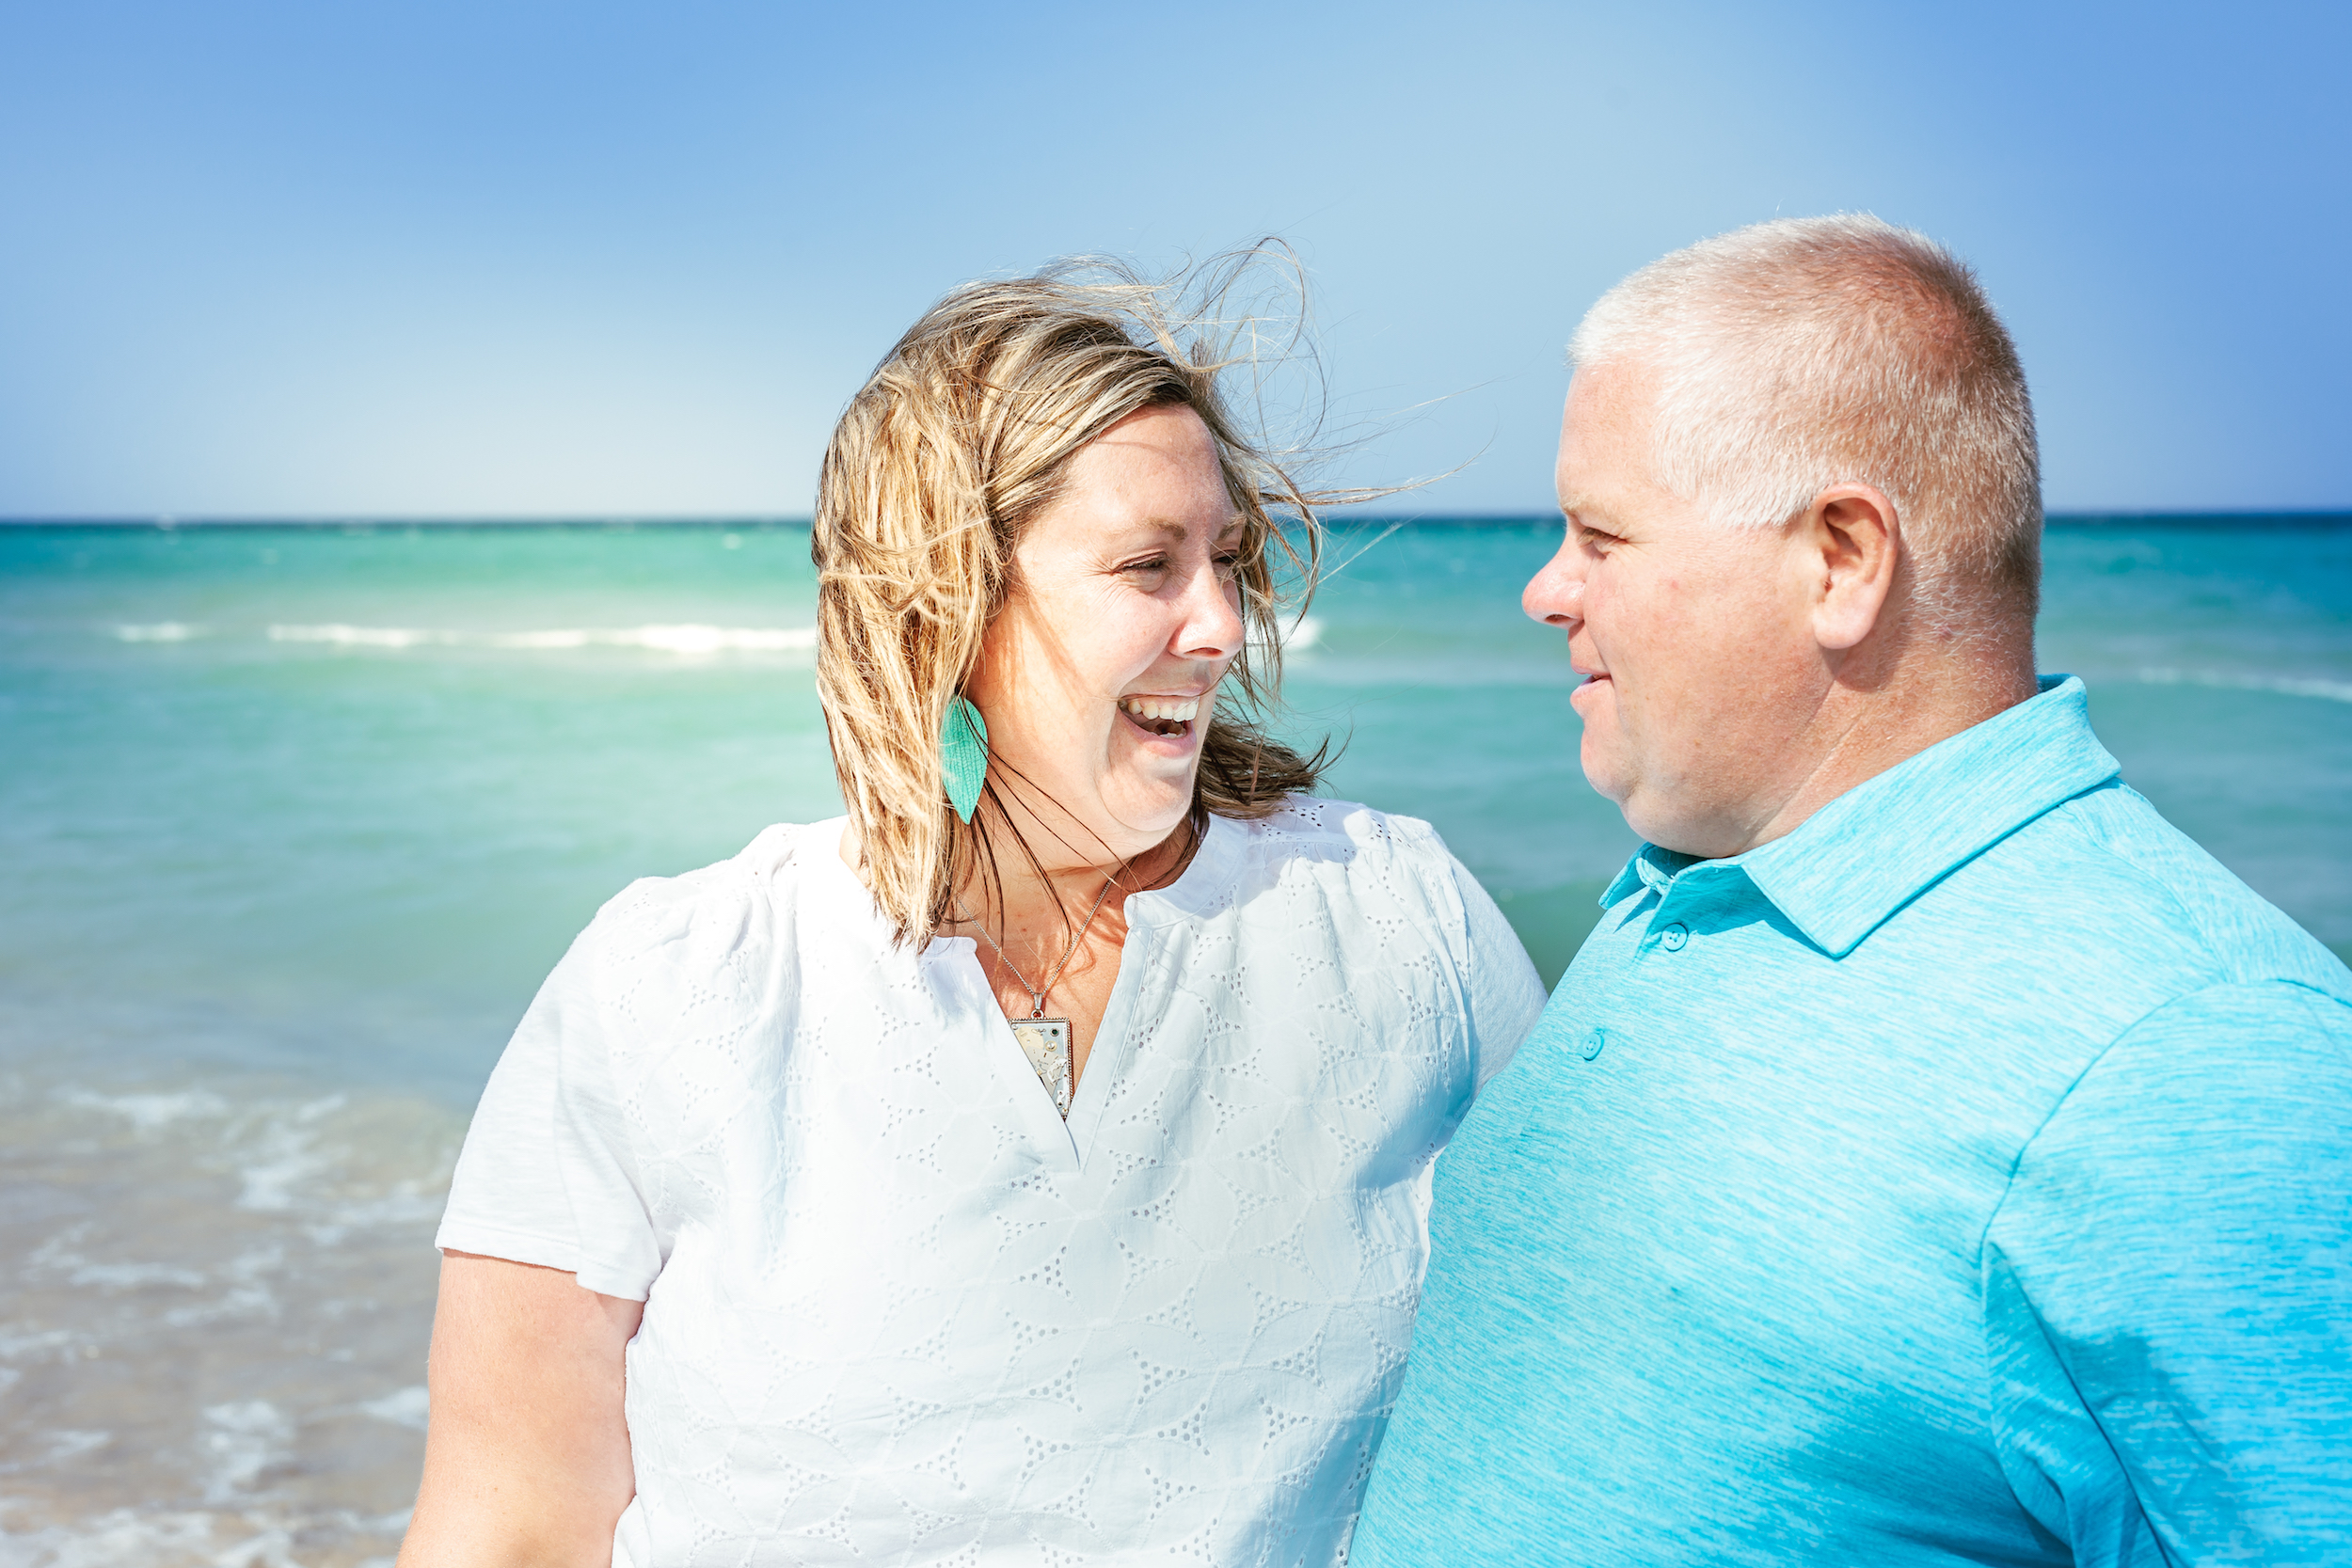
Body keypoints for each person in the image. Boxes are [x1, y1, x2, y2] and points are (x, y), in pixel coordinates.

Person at [398, 260, 1545, 1567]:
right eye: (1147, 565)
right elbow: (507, 1534)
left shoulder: (1392, 918)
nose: (1221, 624)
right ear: (944, 603)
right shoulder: (676, 982)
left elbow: (1588, 1396)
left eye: (1226, 561)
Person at [1350, 215, 2352, 1564]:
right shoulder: (1696, 884)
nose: (1546, 589)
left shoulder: (2200, 1063)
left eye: (1600, 534)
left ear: (1839, 561)